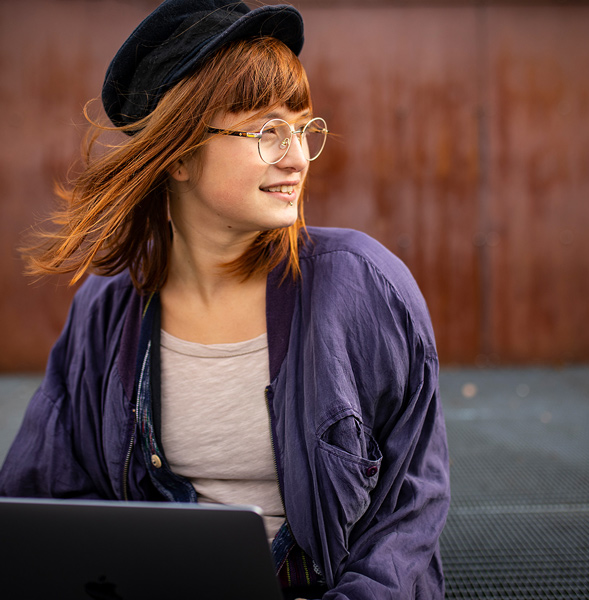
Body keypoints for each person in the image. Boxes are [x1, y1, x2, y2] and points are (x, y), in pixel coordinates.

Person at [0, 1, 450, 598]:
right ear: (180, 154)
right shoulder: (106, 312)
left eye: (302, 126)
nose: (295, 157)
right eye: (267, 131)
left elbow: (409, 513)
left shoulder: (366, 288)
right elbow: (44, 494)